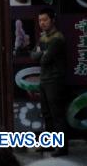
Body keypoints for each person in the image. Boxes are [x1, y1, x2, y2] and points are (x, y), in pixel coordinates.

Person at [31, 8, 68, 157]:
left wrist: (41, 54)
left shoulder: (57, 38)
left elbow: (45, 60)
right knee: (46, 114)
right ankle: (49, 143)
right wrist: (41, 53)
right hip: (44, 80)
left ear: (52, 20)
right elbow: (34, 56)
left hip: (55, 80)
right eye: (40, 20)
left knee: (57, 114)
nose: (42, 23)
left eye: (45, 20)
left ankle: (62, 147)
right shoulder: (43, 38)